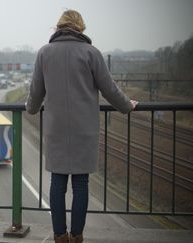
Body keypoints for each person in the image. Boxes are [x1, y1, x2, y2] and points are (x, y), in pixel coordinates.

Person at [25, 10, 138, 243]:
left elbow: (35, 93)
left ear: (58, 28)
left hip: (56, 129)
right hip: (84, 130)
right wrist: (127, 106)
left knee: (57, 183)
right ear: (80, 28)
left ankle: (59, 236)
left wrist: (30, 108)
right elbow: (110, 89)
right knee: (81, 183)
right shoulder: (91, 53)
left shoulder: (44, 53)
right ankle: (77, 236)